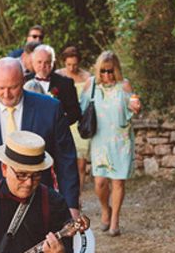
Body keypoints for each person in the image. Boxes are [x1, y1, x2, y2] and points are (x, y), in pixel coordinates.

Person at [0, 57, 80, 219]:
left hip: (39, 202)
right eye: (0, 88)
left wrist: (71, 205)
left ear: (24, 80)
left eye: (13, 87)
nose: (6, 94)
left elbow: (66, 160)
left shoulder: (50, 109)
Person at [81, 51, 141, 236]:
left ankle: (115, 218)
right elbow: (81, 108)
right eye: (103, 71)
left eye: (110, 71)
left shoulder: (124, 85)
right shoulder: (91, 85)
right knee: (99, 182)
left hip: (121, 139)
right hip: (100, 140)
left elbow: (133, 107)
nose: (107, 75)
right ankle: (105, 209)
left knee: (118, 182)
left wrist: (136, 107)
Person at [56, 46, 92, 187]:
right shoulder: (58, 76)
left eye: (75, 64)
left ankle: (78, 196)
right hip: (65, 121)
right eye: (68, 64)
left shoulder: (87, 77)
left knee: (81, 163)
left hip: (81, 122)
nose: (72, 68)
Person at [24, 44, 81, 125]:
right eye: (39, 62)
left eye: (47, 62)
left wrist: (59, 124)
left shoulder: (65, 83)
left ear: (53, 63)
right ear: (33, 63)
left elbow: (75, 112)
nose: (42, 66)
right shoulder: (24, 81)